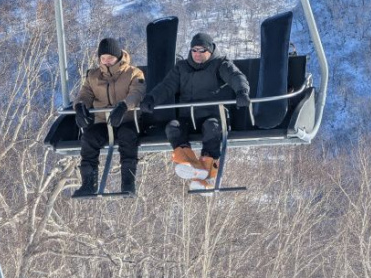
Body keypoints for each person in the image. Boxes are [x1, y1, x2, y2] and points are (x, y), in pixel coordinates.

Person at [139, 33, 250, 190]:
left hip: (211, 115)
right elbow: (167, 86)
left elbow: (236, 76)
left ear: (210, 51)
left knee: (212, 128)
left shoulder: (220, 63)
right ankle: (189, 163)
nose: (197, 54)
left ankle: (208, 175)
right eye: (194, 50)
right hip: (188, 117)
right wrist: (151, 99)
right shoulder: (182, 68)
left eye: (201, 50)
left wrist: (242, 92)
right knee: (173, 127)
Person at [71, 38, 146, 196]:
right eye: (103, 58)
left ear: (118, 57)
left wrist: (124, 106)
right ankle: (88, 184)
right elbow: (84, 95)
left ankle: (128, 183)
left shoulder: (133, 73)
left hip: (126, 119)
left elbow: (137, 93)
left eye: (110, 58)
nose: (107, 62)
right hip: (103, 122)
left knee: (128, 138)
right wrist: (79, 107)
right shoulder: (93, 76)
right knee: (89, 139)